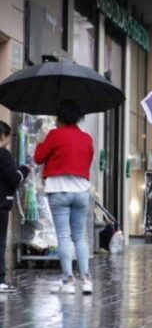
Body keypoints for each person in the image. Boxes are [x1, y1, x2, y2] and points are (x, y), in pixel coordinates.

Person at [34, 100, 95, 295]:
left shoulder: (54, 135)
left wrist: (41, 142)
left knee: (63, 237)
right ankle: (86, 280)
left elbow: (38, 158)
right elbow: (88, 160)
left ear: (59, 117)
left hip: (58, 190)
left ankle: (68, 281)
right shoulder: (87, 138)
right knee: (79, 236)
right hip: (81, 191)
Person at [0, 122, 30, 293]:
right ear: (3, 136)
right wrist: (23, 170)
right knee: (0, 242)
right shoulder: (4, 154)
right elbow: (13, 179)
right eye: (9, 137)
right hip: (1, 204)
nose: (9, 141)